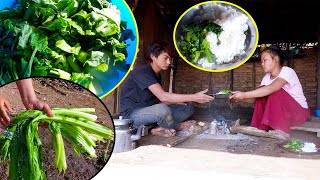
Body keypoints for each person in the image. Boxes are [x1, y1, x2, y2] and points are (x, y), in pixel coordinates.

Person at [120, 42, 214, 137]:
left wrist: (183, 100)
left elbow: (158, 100)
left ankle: (156, 128)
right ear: (153, 56)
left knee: (188, 108)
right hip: (132, 115)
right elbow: (163, 97)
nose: (169, 62)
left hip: (149, 110)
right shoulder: (141, 71)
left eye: (170, 59)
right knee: (162, 110)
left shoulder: (157, 75)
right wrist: (195, 97)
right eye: (165, 58)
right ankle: (179, 126)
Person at [229, 45, 310, 138]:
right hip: (284, 115)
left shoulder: (287, 71)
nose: (262, 64)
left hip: (298, 113)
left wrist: (244, 94)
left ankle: (281, 129)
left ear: (275, 59)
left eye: (265, 60)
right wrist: (239, 98)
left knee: (273, 91)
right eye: (261, 61)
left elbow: (271, 89)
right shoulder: (267, 77)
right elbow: (257, 99)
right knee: (263, 92)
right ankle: (261, 126)